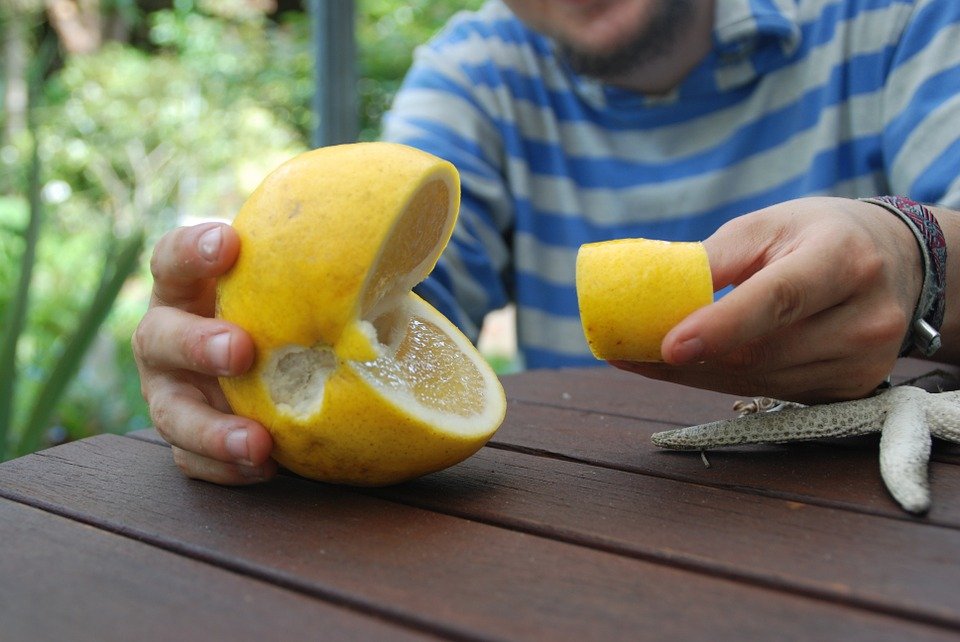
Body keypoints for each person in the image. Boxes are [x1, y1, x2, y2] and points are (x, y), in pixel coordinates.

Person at [133, 0, 960, 484]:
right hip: (595, 528)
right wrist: (234, 350)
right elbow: (389, 301)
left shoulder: (895, 18)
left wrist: (919, 253)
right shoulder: (477, 67)